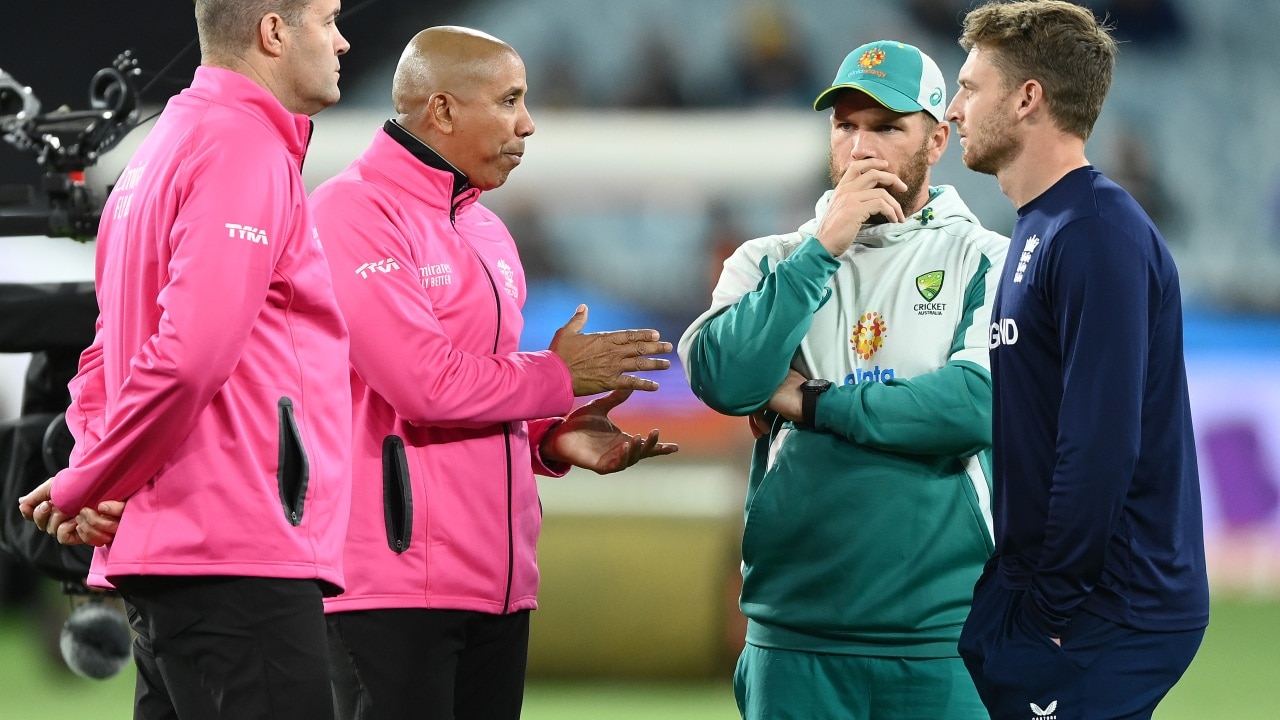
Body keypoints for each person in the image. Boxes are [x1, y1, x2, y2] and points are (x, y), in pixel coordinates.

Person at [309, 26, 679, 720]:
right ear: (443, 110)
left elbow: (483, 381)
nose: (528, 124)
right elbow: (422, 385)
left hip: (497, 581)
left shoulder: (486, 228)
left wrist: (548, 437)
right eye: (509, 100)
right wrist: (557, 374)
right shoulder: (352, 212)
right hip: (388, 584)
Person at [19, 1, 354, 718]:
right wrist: (94, 479)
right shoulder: (243, 148)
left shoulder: (160, 148)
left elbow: (102, 360)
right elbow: (191, 357)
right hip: (237, 544)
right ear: (273, 31)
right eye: (326, 20)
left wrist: (101, 481)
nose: (343, 40)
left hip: (175, 551)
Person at [678, 39, 1009, 720]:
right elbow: (721, 378)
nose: (863, 148)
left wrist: (809, 401)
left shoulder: (988, 260)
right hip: (792, 640)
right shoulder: (767, 261)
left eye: (888, 127)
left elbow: (973, 407)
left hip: (941, 642)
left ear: (937, 139)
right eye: (846, 125)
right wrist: (822, 249)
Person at [945, 2, 1209, 718]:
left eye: (971, 86)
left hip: (1103, 608)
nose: (953, 107)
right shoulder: (1045, 225)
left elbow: (1099, 442)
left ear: (1028, 98)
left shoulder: (1095, 232)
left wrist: (1048, 611)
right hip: (1054, 597)